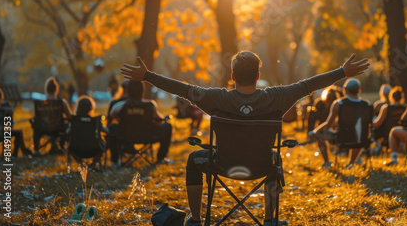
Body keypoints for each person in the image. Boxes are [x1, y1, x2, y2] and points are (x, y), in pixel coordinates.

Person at [120, 51, 369, 226]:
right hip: (262, 166)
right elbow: (308, 86)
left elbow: (183, 89)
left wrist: (148, 76)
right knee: (275, 158)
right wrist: (342, 72)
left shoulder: (217, 98)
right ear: (258, 75)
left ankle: (195, 221)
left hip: (221, 164)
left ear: (232, 76)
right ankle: (270, 219)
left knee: (194, 158)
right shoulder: (277, 97)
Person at [308, 78, 371, 168]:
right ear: (359, 90)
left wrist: (315, 131)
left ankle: (327, 163)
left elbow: (328, 125)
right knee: (359, 135)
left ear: (345, 90)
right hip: (361, 139)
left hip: (341, 138)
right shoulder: (367, 104)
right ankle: (352, 162)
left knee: (319, 134)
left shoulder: (338, 103)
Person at [109, 80, 173, 165]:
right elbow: (159, 118)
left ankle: (115, 161)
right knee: (168, 126)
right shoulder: (150, 105)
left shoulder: (120, 106)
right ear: (142, 91)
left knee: (111, 128)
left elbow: (111, 115)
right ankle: (161, 158)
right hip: (148, 136)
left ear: (128, 91)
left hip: (126, 136)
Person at [33, 77, 72, 156]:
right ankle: (62, 146)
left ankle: (36, 149)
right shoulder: (61, 102)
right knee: (68, 125)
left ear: (46, 89)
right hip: (58, 128)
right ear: (56, 89)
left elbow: (37, 117)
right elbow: (70, 117)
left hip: (42, 128)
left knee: (35, 126)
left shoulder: (40, 103)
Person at [67, 95, 108, 169]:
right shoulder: (95, 121)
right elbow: (106, 131)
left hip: (76, 149)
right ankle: (92, 164)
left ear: (78, 107)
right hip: (94, 149)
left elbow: (68, 132)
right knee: (103, 145)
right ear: (91, 108)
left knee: (69, 148)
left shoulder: (74, 120)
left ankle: (82, 164)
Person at [0, 86, 32, 158]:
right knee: (18, 133)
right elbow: (10, 125)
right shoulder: (5, 109)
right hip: (0, 135)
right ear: (0, 97)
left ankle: (25, 152)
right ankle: (16, 154)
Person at [372, 86, 406, 153]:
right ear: (402, 97)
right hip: (402, 132)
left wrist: (369, 123)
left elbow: (376, 124)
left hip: (387, 133)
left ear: (392, 97)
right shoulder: (405, 108)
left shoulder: (386, 108)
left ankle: (377, 147)